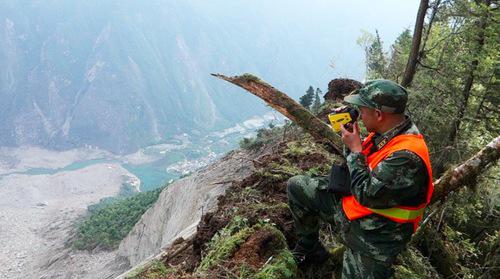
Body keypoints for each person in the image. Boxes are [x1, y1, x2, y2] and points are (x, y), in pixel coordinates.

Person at [287, 79, 433, 278]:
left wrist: (356, 150)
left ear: (379, 114)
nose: (360, 114)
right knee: (297, 186)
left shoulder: (407, 157)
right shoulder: (388, 133)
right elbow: (361, 165)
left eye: (362, 109)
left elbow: (367, 194)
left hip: (377, 236)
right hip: (353, 209)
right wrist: (351, 142)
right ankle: (310, 248)